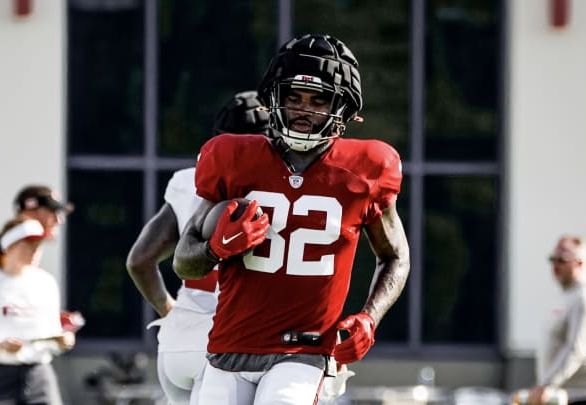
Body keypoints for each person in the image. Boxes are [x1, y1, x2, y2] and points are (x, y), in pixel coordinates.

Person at [173, 34, 410, 404]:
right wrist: (216, 248)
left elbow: (395, 255)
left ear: (344, 108)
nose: (304, 109)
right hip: (228, 346)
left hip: (306, 351)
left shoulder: (368, 168)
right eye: (294, 97)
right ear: (275, 99)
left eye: (319, 101)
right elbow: (183, 263)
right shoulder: (232, 157)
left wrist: (369, 317)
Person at [125, 90, 270, 405]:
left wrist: (168, 309)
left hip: (177, 340)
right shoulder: (275, 185)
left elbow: (139, 260)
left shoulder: (189, 180)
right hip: (226, 342)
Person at [0, 218, 76, 405]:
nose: (36, 250)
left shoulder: (46, 283)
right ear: (10, 246)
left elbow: (51, 339)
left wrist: (61, 341)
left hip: (39, 375)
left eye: (39, 244)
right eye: (29, 244)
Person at [525, 236, 586, 405]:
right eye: (552, 259)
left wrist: (546, 385)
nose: (555, 265)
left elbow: (577, 349)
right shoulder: (568, 295)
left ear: (580, 263)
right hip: (567, 395)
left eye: (562, 260)